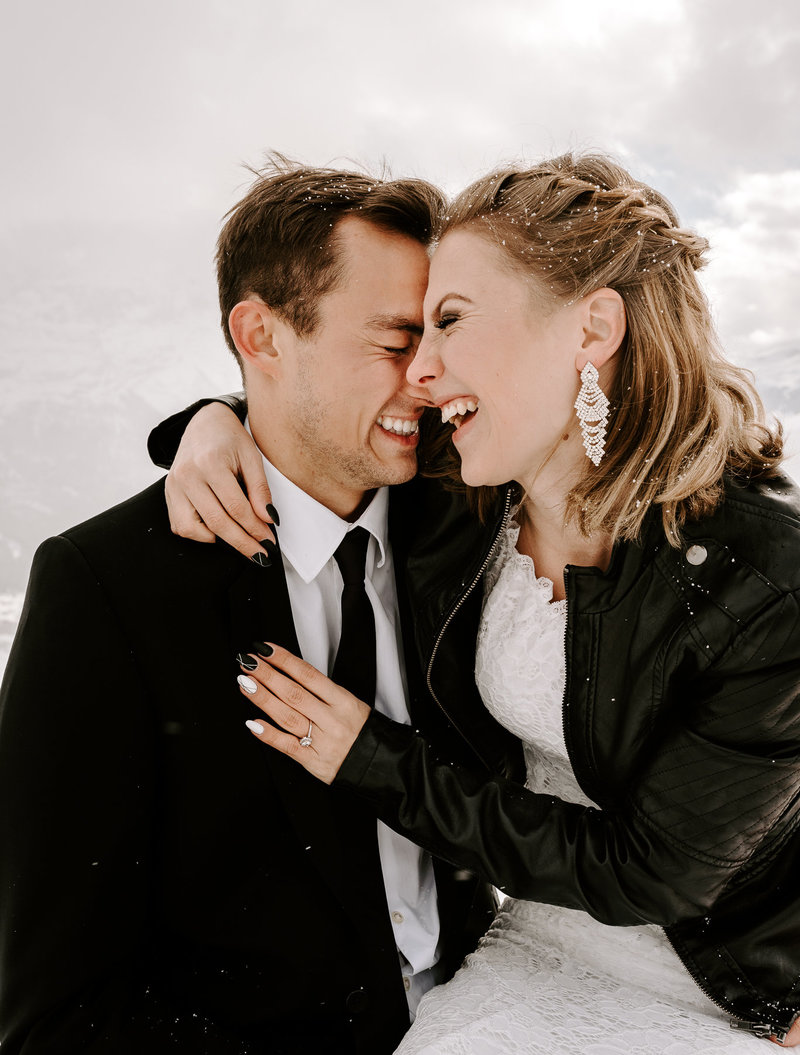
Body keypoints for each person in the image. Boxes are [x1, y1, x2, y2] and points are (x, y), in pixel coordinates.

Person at [156, 154, 800, 1051]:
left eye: (450, 322)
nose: (420, 370)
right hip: (528, 943)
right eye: (414, 333)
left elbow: (654, 872)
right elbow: (309, 408)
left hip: (728, 986)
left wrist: (373, 761)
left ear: (593, 328)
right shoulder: (462, 492)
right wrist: (209, 421)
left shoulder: (766, 578)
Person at [0, 159, 511, 1055]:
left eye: (438, 338)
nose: (428, 378)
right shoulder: (106, 587)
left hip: (505, 1010)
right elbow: (56, 1009)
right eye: (395, 340)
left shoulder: (468, 516)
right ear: (261, 334)